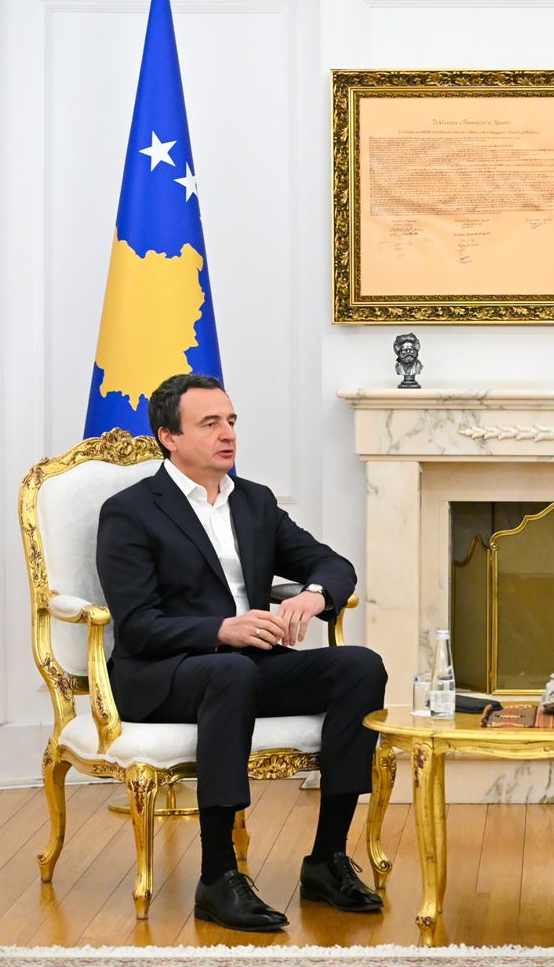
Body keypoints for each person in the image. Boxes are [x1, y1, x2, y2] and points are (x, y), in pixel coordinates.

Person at [96, 373, 389, 932]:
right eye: (210, 423)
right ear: (168, 437)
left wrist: (312, 595)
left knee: (360, 666)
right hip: (162, 676)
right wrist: (222, 630)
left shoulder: (254, 501)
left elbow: (334, 565)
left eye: (230, 421)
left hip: (247, 669)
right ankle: (218, 875)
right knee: (230, 671)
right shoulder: (130, 512)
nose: (227, 433)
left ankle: (327, 859)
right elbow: (137, 627)